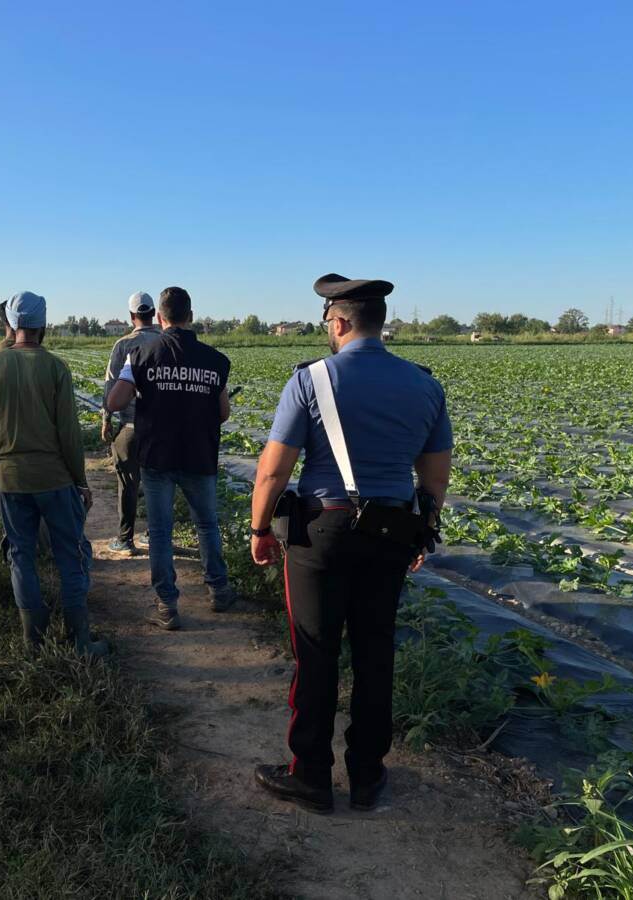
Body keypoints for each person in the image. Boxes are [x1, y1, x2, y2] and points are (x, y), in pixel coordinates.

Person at [248, 273, 453, 814]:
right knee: (375, 651)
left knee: (316, 653)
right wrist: (422, 532)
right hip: (390, 533)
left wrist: (260, 530)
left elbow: (272, 472)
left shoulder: (311, 380)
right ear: (379, 324)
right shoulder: (425, 386)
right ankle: (367, 775)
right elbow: (434, 479)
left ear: (338, 323)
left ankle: (311, 776)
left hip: (324, 532)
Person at [0, 291, 105, 656]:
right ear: (43, 325)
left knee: (21, 555)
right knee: (69, 555)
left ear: (13, 324)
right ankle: (80, 639)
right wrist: (80, 481)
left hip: (11, 478)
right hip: (54, 479)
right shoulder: (55, 367)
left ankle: (33, 640)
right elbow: (69, 434)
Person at [105, 286, 234, 630]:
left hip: (157, 457)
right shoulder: (215, 360)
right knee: (207, 525)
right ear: (191, 316)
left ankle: (166, 606)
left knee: (161, 532)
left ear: (160, 318)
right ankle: (219, 590)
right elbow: (223, 413)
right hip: (199, 455)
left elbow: (115, 402)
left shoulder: (140, 354)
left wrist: (137, 383)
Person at [100, 291, 162, 555]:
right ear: (154, 313)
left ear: (131, 316)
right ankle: (154, 534)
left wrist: (106, 419)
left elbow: (111, 386)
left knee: (128, 482)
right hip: (161, 429)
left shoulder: (124, 344)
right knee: (158, 482)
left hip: (131, 425)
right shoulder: (166, 341)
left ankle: (125, 539)